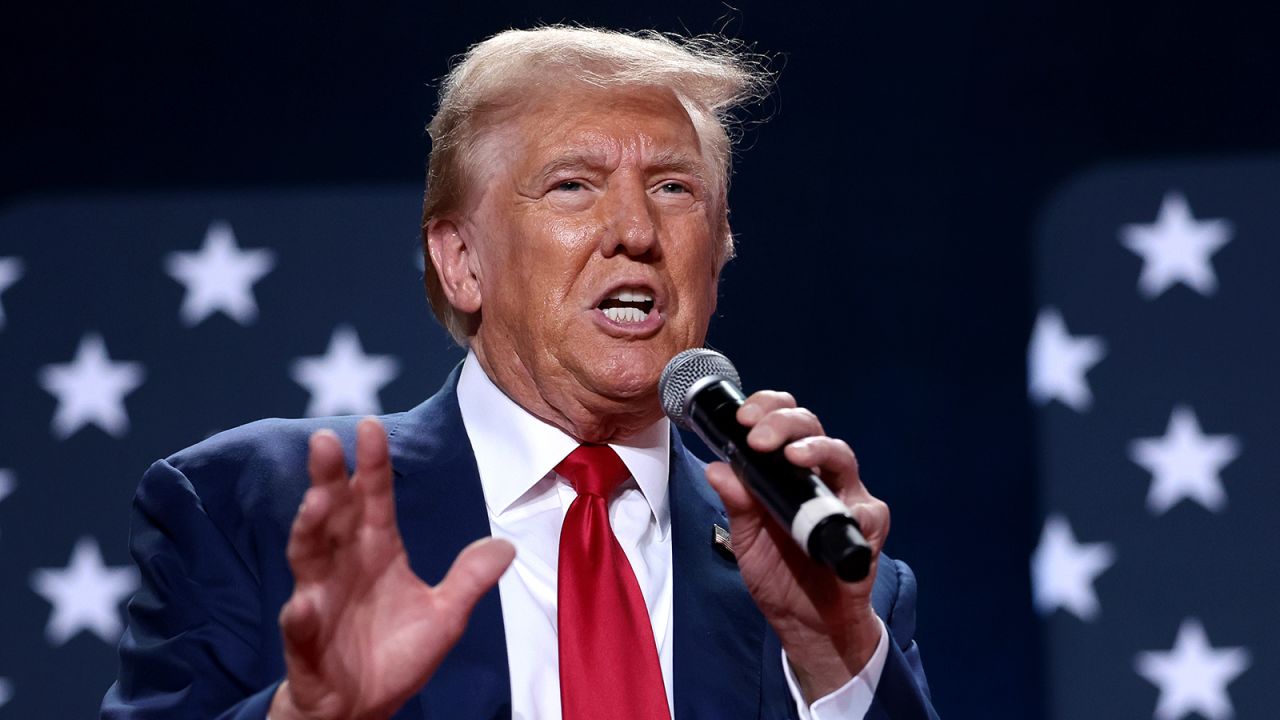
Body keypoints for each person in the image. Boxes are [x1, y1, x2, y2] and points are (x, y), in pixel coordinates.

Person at [102, 26, 939, 719]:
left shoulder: (829, 576)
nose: (635, 231)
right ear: (461, 261)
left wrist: (834, 657)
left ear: (718, 256)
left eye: (675, 189)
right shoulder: (251, 508)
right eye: (573, 185)